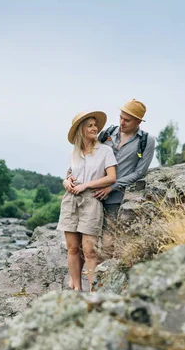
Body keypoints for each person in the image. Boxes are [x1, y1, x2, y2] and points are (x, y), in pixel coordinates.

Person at [57, 111, 117, 292]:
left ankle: (93, 292)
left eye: (95, 125)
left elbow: (112, 177)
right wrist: (66, 182)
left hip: (91, 200)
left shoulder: (105, 151)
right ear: (81, 130)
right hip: (70, 201)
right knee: (72, 248)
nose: (95, 128)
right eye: (90, 125)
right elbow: (68, 175)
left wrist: (86, 186)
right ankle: (76, 289)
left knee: (90, 250)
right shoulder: (73, 153)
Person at [92, 99, 156, 223]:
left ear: (138, 121)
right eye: (121, 117)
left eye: (127, 120)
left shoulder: (147, 141)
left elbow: (139, 172)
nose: (122, 122)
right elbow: (90, 157)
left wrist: (111, 187)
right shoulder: (106, 133)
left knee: (108, 240)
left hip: (116, 200)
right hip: (93, 195)